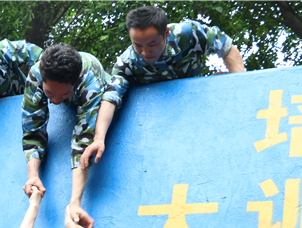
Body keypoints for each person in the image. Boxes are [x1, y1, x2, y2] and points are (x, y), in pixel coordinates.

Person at [83, 5, 246, 165]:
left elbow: (226, 48)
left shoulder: (188, 33)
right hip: (158, 124)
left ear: (166, 33)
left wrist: (240, 85)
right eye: (138, 45)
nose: (145, 52)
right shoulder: (127, 62)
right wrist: (99, 139)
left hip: (198, 108)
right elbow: (110, 98)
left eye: (152, 44)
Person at [21, 44, 109, 228]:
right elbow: (32, 129)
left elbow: (82, 143)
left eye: (63, 95)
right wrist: (33, 175)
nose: (55, 101)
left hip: (98, 95)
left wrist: (75, 203)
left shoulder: (89, 81)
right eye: (49, 93)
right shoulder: (36, 73)